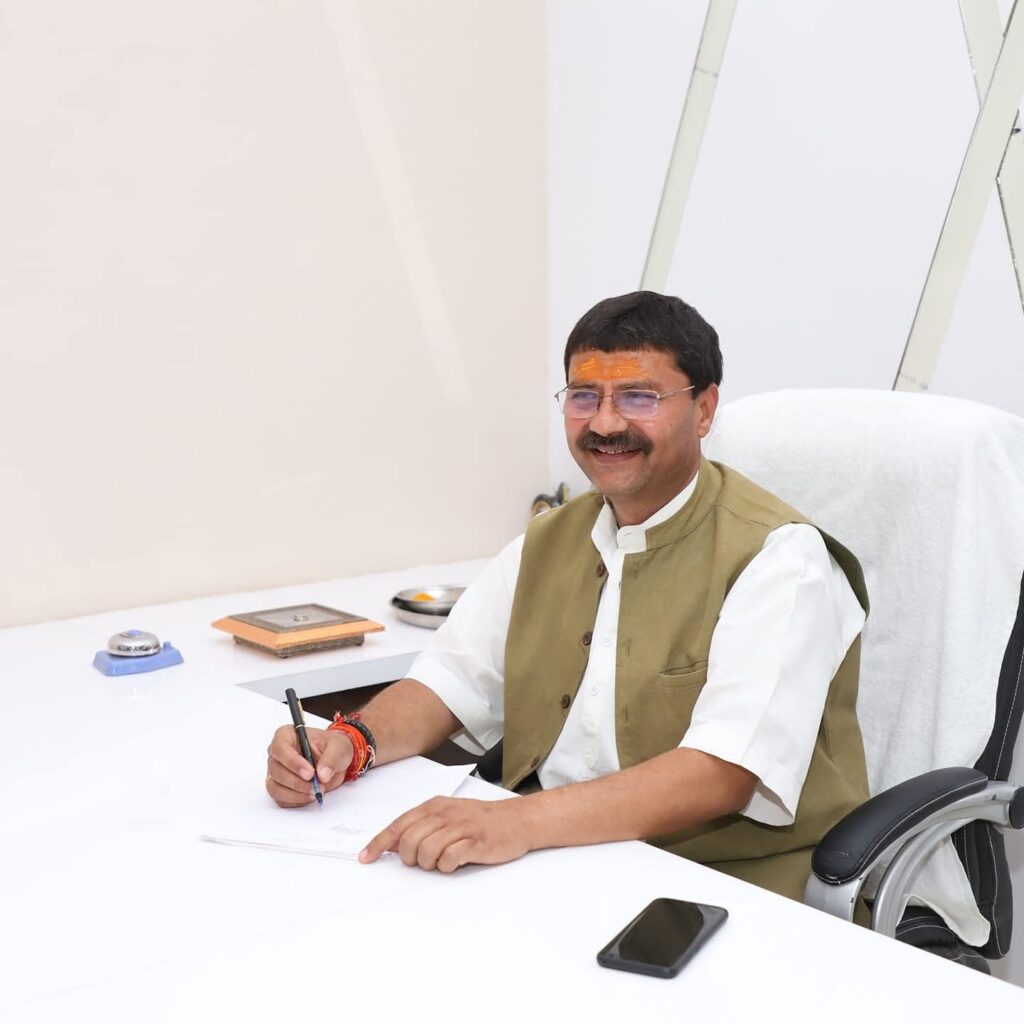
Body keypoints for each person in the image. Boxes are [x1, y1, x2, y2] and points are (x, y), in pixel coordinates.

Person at [265, 291, 870, 903]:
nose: (604, 424)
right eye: (584, 397)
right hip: (554, 862)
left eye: (638, 397)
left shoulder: (781, 558)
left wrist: (516, 822)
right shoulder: (546, 541)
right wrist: (349, 743)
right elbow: (450, 681)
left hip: (724, 887)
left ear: (704, 409)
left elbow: (723, 771)